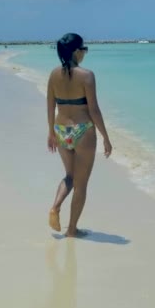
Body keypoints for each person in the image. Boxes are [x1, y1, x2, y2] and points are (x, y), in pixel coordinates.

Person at [47, 33, 112, 238]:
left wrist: (50, 132)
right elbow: (94, 110)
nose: (85, 53)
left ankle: (55, 207)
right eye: (84, 49)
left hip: (60, 129)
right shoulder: (87, 75)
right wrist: (105, 137)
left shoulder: (53, 74)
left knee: (70, 176)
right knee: (81, 184)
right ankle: (72, 230)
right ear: (76, 51)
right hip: (83, 130)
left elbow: (50, 106)